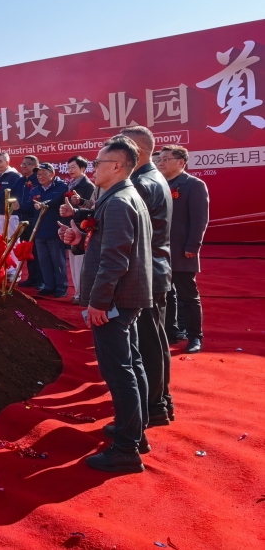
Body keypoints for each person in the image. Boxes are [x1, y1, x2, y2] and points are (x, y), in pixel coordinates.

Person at [60, 136, 152, 473]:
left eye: (98, 163)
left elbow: (114, 260)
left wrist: (98, 303)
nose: (93, 168)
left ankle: (127, 449)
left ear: (116, 166)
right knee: (131, 365)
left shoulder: (117, 202)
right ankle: (134, 431)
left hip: (115, 300)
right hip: (124, 297)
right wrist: (79, 240)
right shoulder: (119, 196)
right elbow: (107, 245)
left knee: (118, 371)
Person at [120, 125, 174, 426]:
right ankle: (161, 401)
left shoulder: (140, 183)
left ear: (136, 150)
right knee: (156, 341)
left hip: (144, 274)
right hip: (156, 270)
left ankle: (153, 407)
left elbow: (129, 235)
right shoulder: (154, 177)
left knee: (147, 345)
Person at [157, 145, 209, 354]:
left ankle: (195, 336)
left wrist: (192, 246)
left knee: (188, 295)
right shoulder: (159, 184)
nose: (160, 163)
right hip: (160, 250)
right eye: (159, 159)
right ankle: (171, 332)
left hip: (182, 250)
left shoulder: (193, 185)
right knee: (166, 294)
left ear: (181, 162)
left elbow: (199, 220)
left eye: (165, 159)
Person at [32, 163, 70, 297]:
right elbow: (29, 208)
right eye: (38, 174)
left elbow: (57, 203)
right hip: (39, 230)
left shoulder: (62, 187)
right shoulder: (35, 190)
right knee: (44, 261)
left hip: (56, 230)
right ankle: (48, 285)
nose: (40, 177)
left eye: (43, 174)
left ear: (52, 174)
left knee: (58, 260)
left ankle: (61, 287)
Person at [64, 156, 96, 304]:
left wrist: (80, 203)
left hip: (83, 231)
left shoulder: (88, 186)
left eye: (73, 167)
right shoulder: (70, 185)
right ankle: (77, 292)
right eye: (68, 167)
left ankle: (82, 294)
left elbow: (91, 209)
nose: (70, 170)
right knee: (74, 264)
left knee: (81, 264)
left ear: (83, 168)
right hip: (72, 227)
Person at [15, 155, 41, 287]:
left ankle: (41, 280)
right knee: (27, 250)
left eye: (27, 164)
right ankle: (32, 277)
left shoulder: (38, 180)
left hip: (35, 220)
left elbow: (35, 201)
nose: (24, 166)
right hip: (23, 220)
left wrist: (21, 207)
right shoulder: (21, 180)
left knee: (37, 251)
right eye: (23, 164)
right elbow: (9, 191)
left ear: (35, 166)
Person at [0, 152, 22, 238]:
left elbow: (12, 191)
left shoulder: (14, 176)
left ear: (7, 162)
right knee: (1, 242)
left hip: (10, 214)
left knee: (13, 242)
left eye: (0, 161)